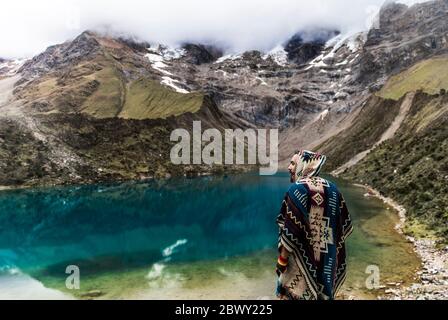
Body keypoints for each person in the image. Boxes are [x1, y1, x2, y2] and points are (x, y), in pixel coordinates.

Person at [275, 150, 353, 300]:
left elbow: (290, 232)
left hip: (300, 261)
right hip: (328, 262)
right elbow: (344, 225)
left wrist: (282, 260)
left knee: (293, 293)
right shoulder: (333, 189)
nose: (289, 168)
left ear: (304, 165)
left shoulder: (296, 189)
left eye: (293, 163)